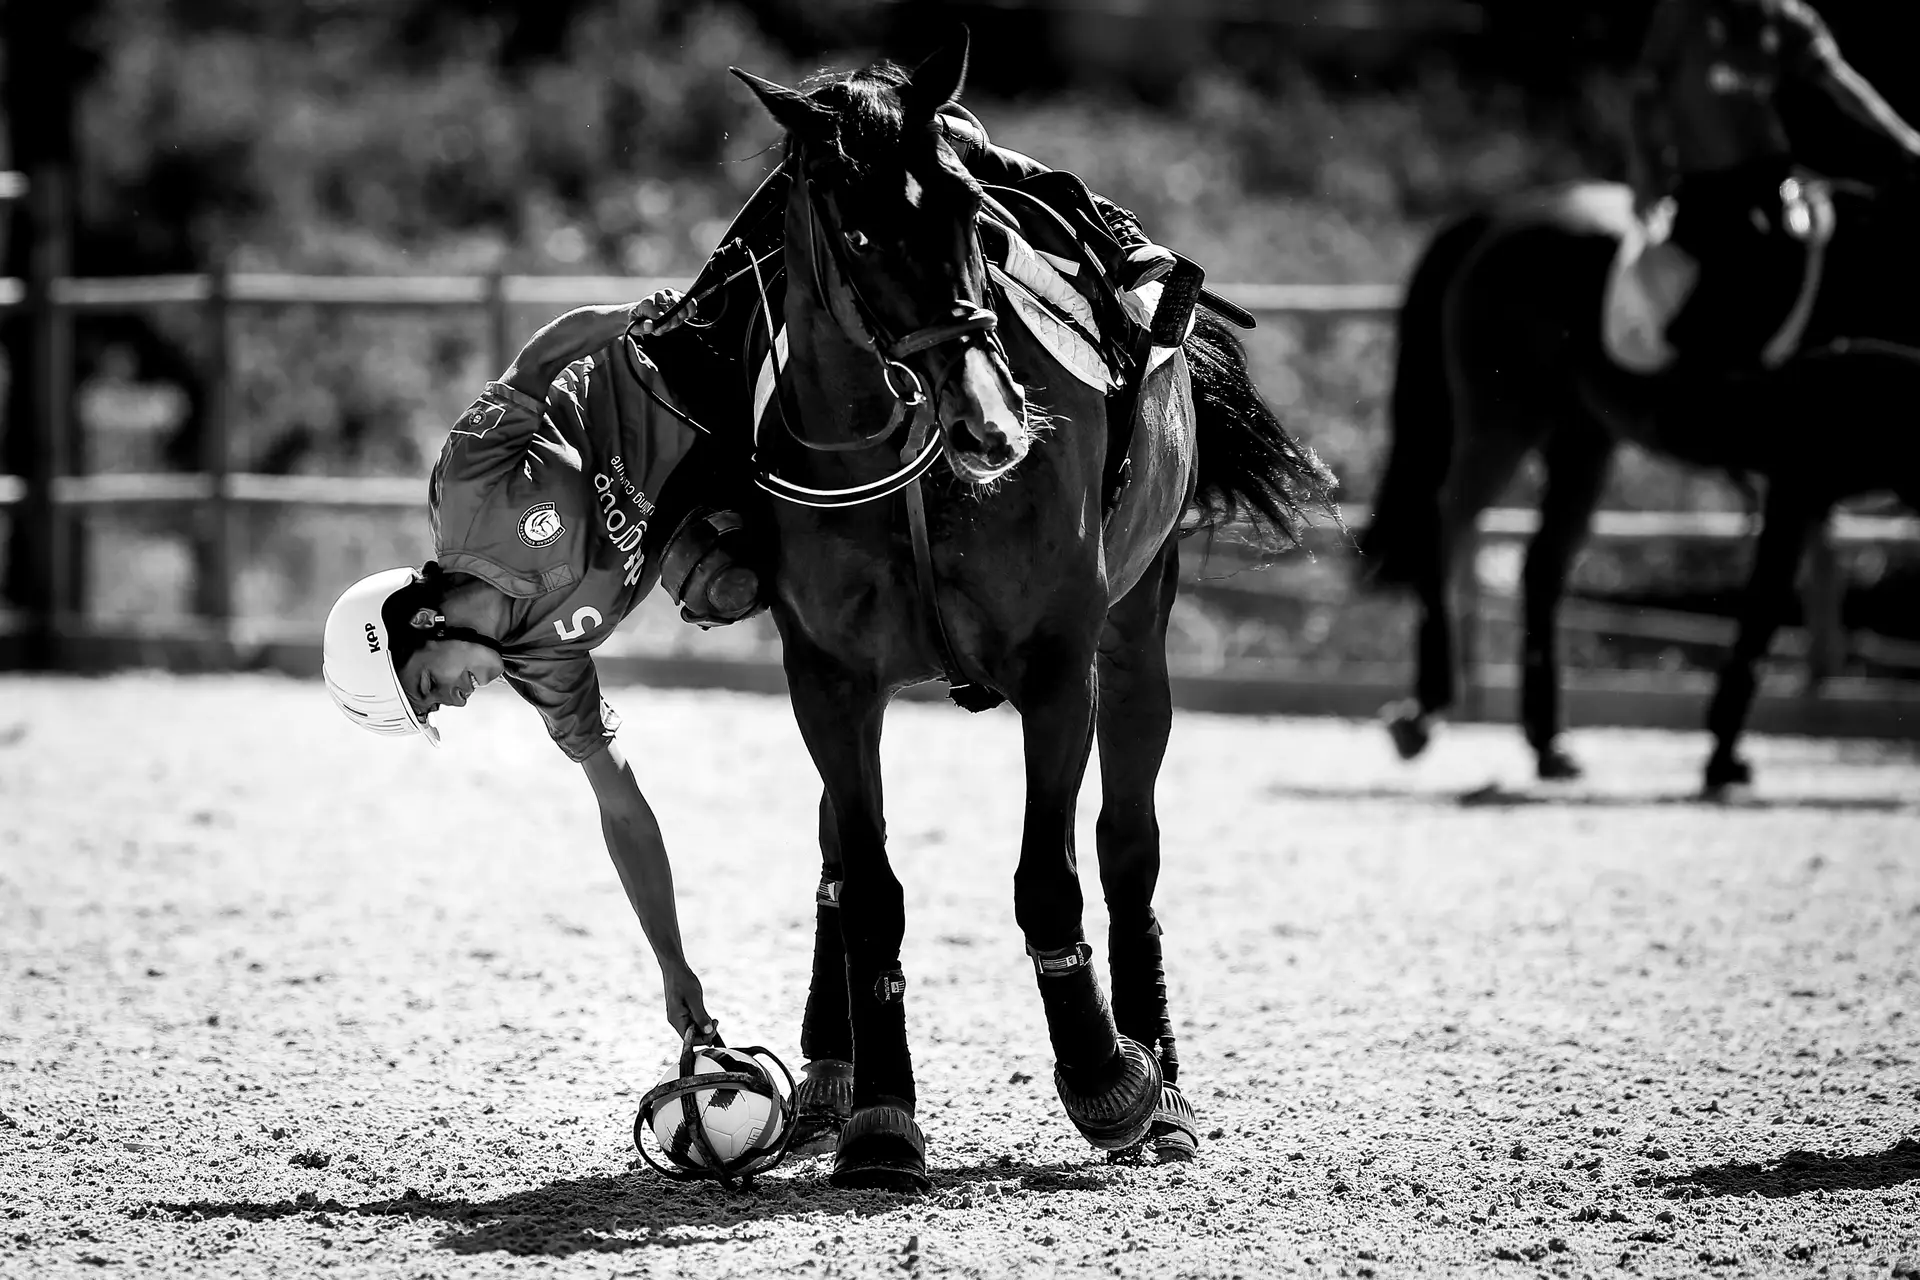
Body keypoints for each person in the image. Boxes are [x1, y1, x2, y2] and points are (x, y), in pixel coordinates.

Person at [320, 96, 1180, 1061]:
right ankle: (845, 978)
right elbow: (621, 808)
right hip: (715, 478)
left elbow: (532, 363)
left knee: (805, 213)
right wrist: (673, 967)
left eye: (435, 687)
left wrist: (627, 320)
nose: (461, 698)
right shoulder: (543, 669)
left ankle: (1086, 226)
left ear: (420, 621)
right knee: (734, 588)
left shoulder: (463, 496)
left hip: (676, 379)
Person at [1627, 0, 1920, 368]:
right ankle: (1692, 372)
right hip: (1707, 185)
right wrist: (1645, 174)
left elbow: (1843, 83)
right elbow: (1644, 96)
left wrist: (1908, 141)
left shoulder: (1785, 16)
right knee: (1737, 262)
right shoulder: (1683, 14)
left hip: (1771, 175)